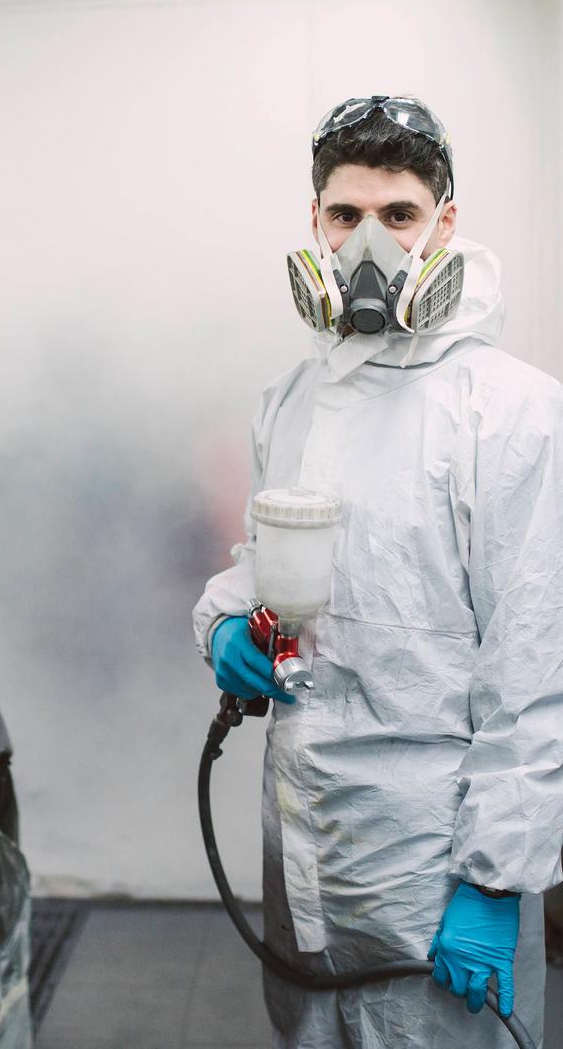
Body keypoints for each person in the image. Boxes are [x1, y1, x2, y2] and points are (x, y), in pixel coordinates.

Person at [193, 95, 562, 1048]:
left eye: (398, 215)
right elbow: (266, 562)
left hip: (433, 862)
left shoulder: (512, 412)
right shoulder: (293, 400)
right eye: (345, 215)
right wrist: (228, 624)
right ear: (314, 225)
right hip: (304, 847)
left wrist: (494, 878)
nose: (370, 244)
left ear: (445, 224)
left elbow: (538, 664)